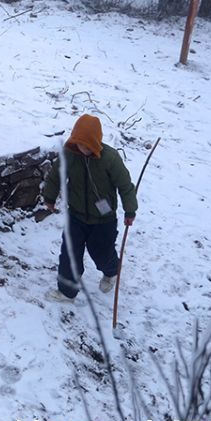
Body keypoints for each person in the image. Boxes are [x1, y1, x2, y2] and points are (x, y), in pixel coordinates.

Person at [41, 114, 137, 303]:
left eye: (86, 145)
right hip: (75, 215)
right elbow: (55, 176)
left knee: (102, 253)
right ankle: (67, 292)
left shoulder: (110, 158)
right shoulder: (69, 154)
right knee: (69, 254)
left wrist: (130, 210)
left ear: (95, 142)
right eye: (78, 144)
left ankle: (111, 272)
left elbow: (125, 185)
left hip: (103, 219)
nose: (81, 148)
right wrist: (50, 198)